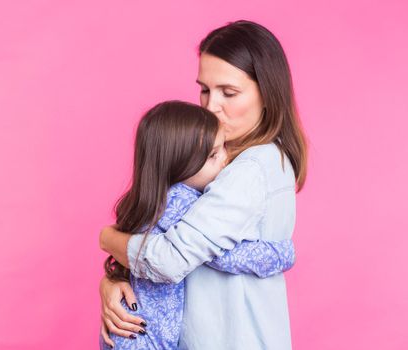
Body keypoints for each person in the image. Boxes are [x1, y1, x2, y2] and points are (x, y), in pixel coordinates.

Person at [99, 20, 307, 349]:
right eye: (205, 89)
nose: (211, 106)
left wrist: (109, 239)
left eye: (229, 92)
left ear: (267, 93)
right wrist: (114, 280)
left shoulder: (251, 169)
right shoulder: (216, 161)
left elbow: (168, 259)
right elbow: (162, 229)